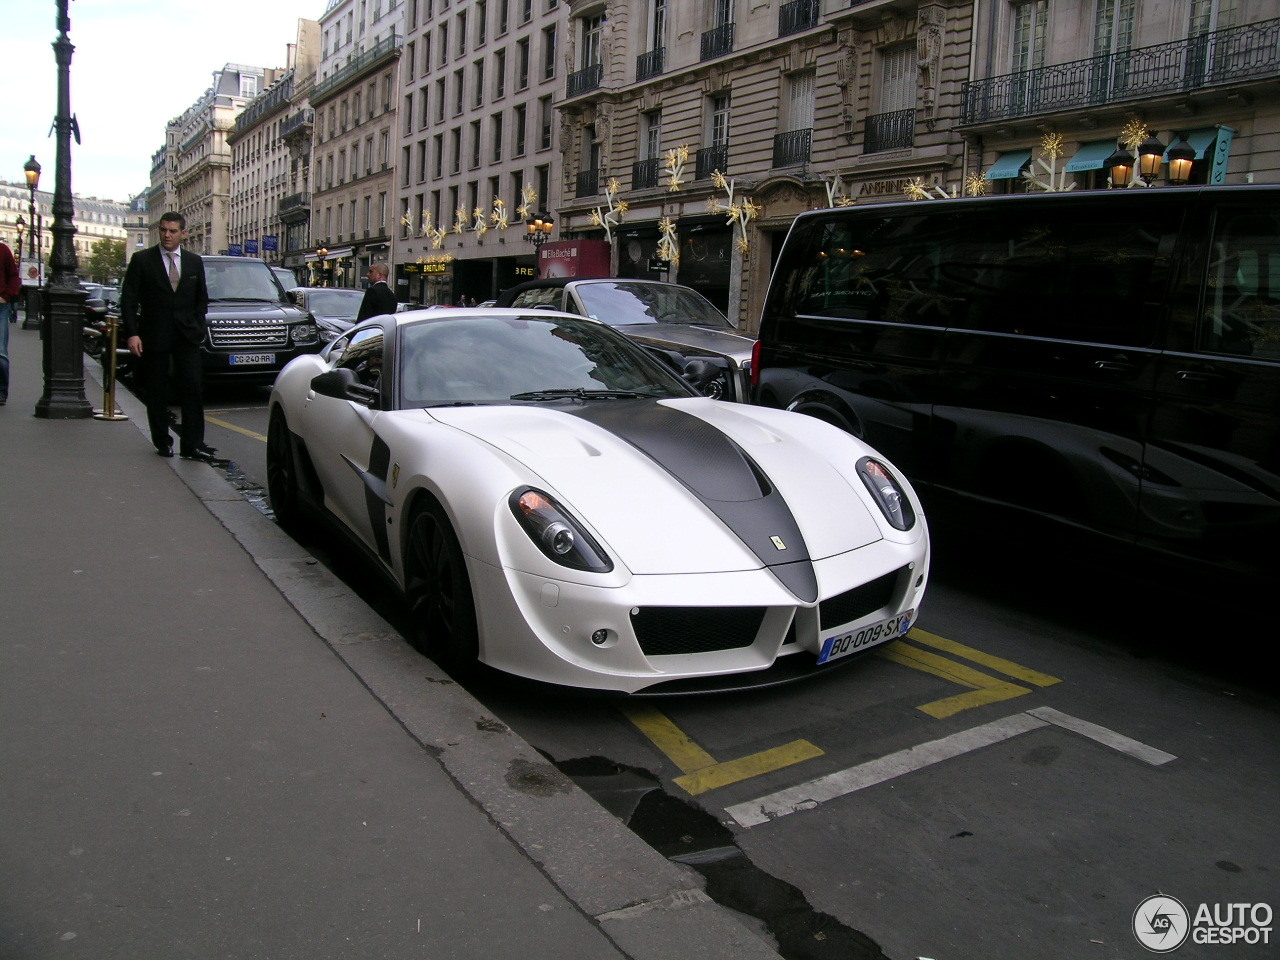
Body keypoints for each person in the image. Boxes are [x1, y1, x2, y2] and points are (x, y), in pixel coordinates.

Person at [119, 212, 216, 460]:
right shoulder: (142, 260)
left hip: (186, 335)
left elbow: (201, 299)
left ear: (183, 233)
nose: (167, 235)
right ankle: (163, 441)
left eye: (173, 231)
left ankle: (193, 445)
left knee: (192, 388)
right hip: (154, 334)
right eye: (163, 230)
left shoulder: (194, 262)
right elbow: (128, 300)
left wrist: (196, 323)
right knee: (157, 390)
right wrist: (133, 334)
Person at [0, 238, 20, 406]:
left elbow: (14, 275)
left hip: (0, 305)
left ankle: (1, 392)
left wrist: (6, 295)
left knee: (0, 352)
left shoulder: (3, 250)